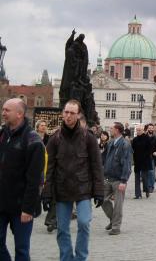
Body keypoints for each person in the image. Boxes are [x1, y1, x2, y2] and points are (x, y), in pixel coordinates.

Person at [42, 99, 104, 260]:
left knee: (84, 223)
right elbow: (48, 168)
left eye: (72, 113)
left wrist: (99, 191)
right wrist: (46, 192)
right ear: (63, 113)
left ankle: (80, 257)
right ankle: (66, 257)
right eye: (66, 112)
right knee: (62, 229)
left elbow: (97, 166)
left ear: (78, 115)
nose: (68, 116)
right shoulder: (55, 138)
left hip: (83, 189)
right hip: (62, 189)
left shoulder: (88, 137)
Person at [0, 98, 45, 261]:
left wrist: (28, 208)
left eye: (7, 110)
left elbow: (34, 179)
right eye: (3, 109)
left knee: (21, 249)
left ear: (19, 114)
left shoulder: (33, 140)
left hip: (21, 206)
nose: (3, 113)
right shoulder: (2, 134)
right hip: (2, 202)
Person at [101, 122, 132, 235]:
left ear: (117, 130)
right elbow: (103, 158)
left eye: (111, 128)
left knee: (118, 204)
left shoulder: (125, 144)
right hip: (108, 177)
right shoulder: (110, 143)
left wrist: (124, 181)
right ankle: (113, 220)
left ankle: (116, 227)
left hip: (119, 179)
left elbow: (127, 164)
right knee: (103, 200)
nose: (110, 129)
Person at [131, 125, 152, 199]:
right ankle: (137, 194)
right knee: (136, 178)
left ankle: (146, 190)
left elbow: (150, 150)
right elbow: (132, 149)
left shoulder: (147, 138)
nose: (138, 131)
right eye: (137, 130)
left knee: (144, 177)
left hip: (145, 161)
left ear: (143, 130)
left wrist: (145, 156)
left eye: (139, 130)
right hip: (137, 161)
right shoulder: (135, 139)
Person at [146, 124, 156, 193]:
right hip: (145, 157)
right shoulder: (144, 137)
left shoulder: (155, 137)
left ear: (153, 129)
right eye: (149, 128)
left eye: (151, 128)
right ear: (147, 129)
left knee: (151, 172)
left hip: (152, 157)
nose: (150, 129)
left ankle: (151, 186)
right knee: (145, 172)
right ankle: (146, 185)